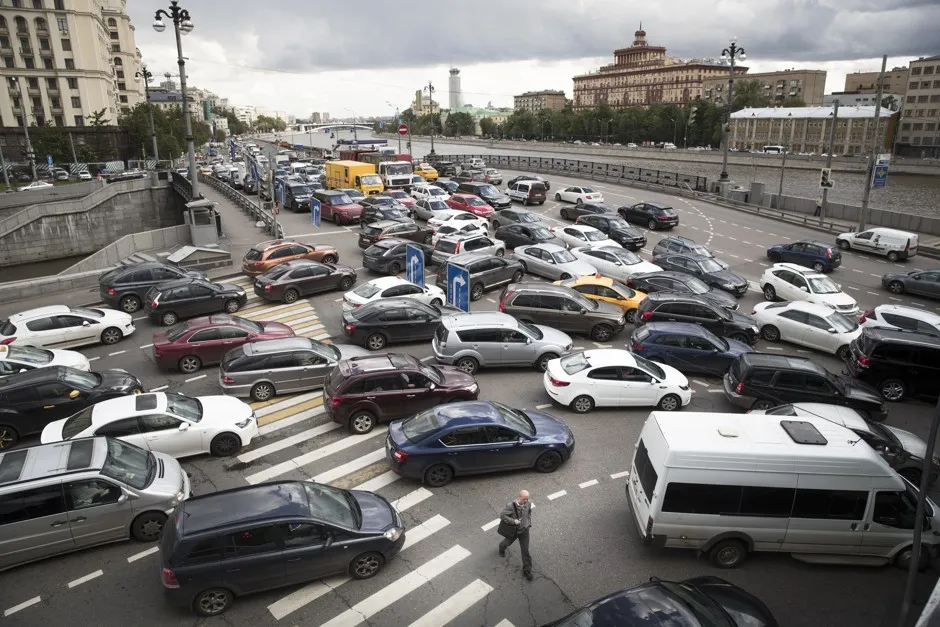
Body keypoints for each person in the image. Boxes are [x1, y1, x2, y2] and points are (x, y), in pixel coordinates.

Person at [498, 489, 533, 580]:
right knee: (505, 543)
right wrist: (513, 521)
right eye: (524, 499)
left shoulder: (528, 504)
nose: (526, 501)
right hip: (514, 531)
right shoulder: (510, 506)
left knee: (525, 550)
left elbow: (529, 512)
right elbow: (502, 515)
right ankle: (501, 549)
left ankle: (527, 570)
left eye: (527, 499)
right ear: (519, 497)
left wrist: (528, 523)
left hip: (524, 531)